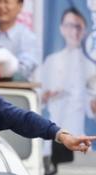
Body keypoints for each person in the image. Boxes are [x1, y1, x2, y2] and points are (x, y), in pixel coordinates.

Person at [40, 8, 96, 139]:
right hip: (50, 129)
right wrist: (45, 96)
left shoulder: (90, 63)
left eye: (78, 27)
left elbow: (90, 104)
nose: (74, 31)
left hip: (77, 132)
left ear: (85, 31)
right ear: (61, 29)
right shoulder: (51, 60)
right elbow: (38, 97)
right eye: (69, 26)